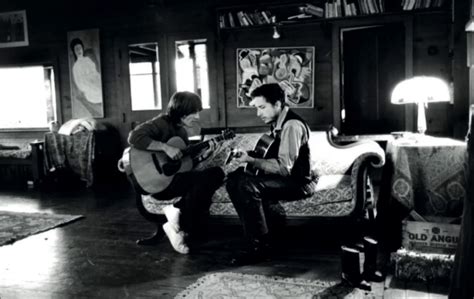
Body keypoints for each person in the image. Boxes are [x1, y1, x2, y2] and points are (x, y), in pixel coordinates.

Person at [226, 83, 318, 265]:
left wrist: (251, 161)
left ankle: (258, 247)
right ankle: (255, 237)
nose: (258, 113)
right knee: (234, 179)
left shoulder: (291, 125)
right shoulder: (278, 123)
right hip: (286, 178)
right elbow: (270, 154)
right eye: (256, 108)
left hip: (299, 183)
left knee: (246, 185)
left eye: (262, 107)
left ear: (277, 104)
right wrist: (248, 156)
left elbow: (284, 168)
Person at [128, 91, 225, 254]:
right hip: (155, 183)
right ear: (181, 111)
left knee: (216, 173)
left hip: (172, 180)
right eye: (194, 112)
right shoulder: (161, 123)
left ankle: (176, 214)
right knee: (205, 181)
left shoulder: (181, 132)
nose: (197, 117)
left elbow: (183, 164)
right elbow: (134, 137)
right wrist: (165, 147)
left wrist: (204, 156)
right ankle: (180, 225)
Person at [69, 38, 103, 116]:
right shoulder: (76, 67)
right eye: (76, 49)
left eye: (80, 48)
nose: (79, 50)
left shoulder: (88, 59)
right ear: (74, 51)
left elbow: (95, 72)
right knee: (96, 92)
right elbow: (80, 85)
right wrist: (91, 84)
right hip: (89, 89)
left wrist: (97, 79)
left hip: (96, 82)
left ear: (82, 48)